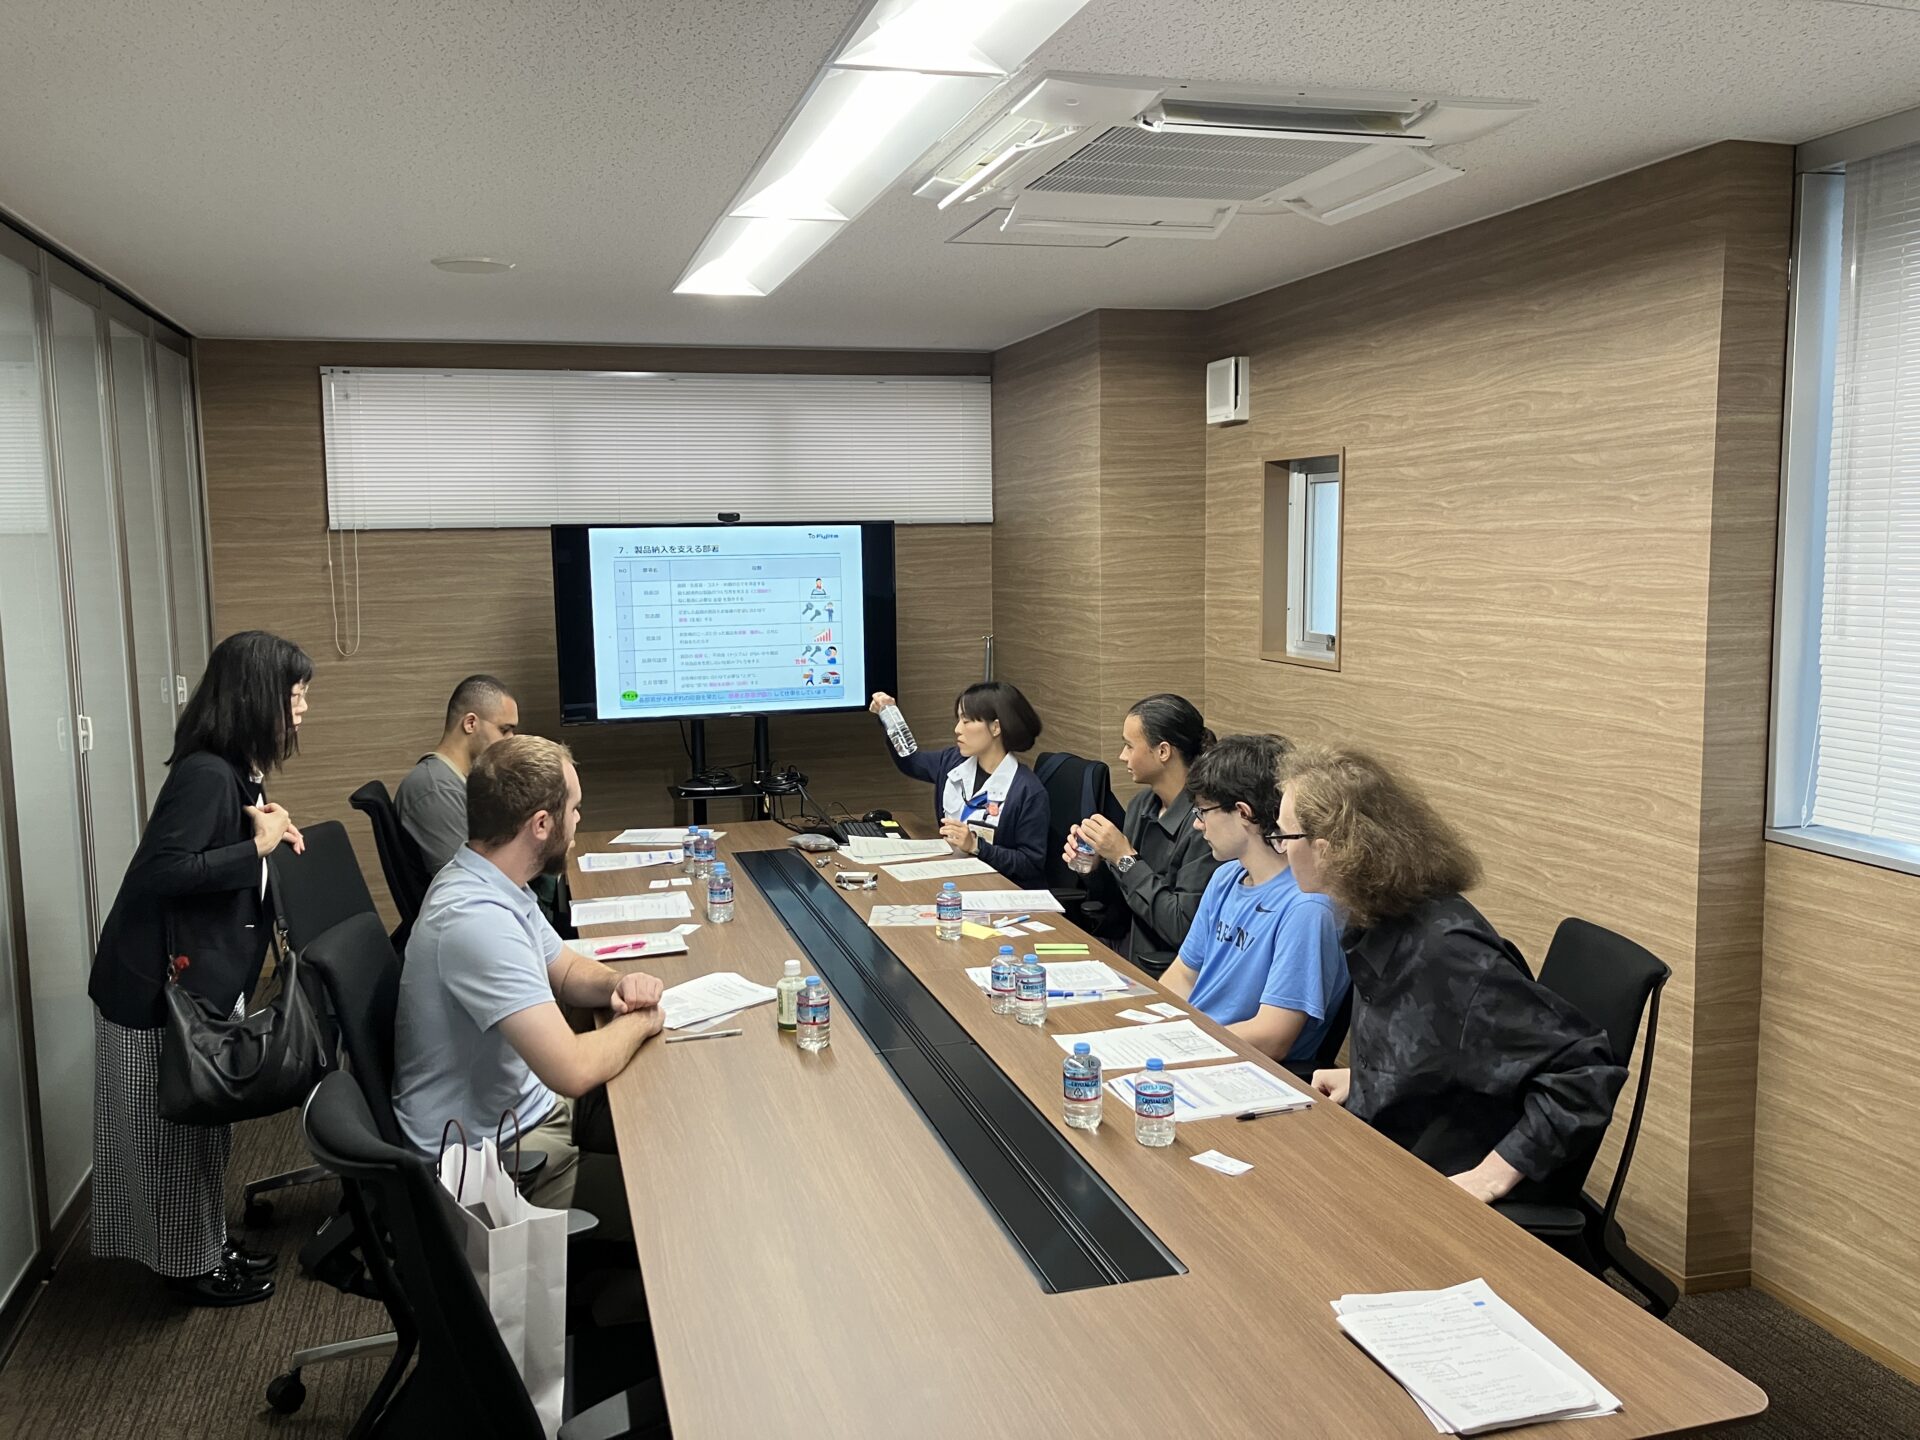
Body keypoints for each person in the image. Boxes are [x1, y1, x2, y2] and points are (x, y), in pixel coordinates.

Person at [1274, 745, 1625, 1204]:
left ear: (1325, 851)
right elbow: (1433, 1045)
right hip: (1390, 1141)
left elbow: (1586, 1070)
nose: (1281, 847)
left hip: (1434, 1173)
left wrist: (1490, 1177)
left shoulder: (1448, 953)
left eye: (1285, 835)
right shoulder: (1377, 915)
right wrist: (1367, 1080)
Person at [87, 630, 313, 1306]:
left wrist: (262, 835)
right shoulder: (206, 774)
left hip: (201, 982)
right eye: (294, 695)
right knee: (171, 1142)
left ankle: (207, 1243)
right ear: (256, 697)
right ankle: (188, 1268)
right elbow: (163, 870)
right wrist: (256, 848)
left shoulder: (235, 768)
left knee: (202, 1133)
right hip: (158, 991)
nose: (303, 709)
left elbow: (212, 852)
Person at [391, 735, 663, 1234]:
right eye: (573, 809)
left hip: (524, 1115)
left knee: (666, 1121)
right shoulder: (476, 919)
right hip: (495, 1166)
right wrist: (642, 1020)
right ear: (541, 824)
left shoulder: (492, 880)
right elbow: (573, 1069)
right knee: (678, 1197)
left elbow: (566, 970)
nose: (578, 819)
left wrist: (619, 983)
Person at [1158, 734, 1348, 1072]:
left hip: (1244, 1067)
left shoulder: (1307, 907)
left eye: (1203, 811)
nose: (1198, 824)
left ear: (1243, 813)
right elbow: (1184, 975)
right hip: (1198, 1048)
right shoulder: (1225, 877)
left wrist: (1186, 1045)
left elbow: (1273, 1037)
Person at [1063, 693, 1220, 978]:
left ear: (1163, 751)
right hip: (1125, 951)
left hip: (1167, 973)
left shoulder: (1204, 824)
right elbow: (1120, 905)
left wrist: (1124, 858)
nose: (1122, 756)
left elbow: (1181, 928)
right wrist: (1094, 866)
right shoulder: (1141, 805)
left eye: (1129, 746)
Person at [867, 684, 1051, 887]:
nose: (957, 729)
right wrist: (889, 715)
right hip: (953, 878)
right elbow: (911, 761)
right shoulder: (952, 761)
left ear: (995, 728)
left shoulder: (1027, 790)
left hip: (998, 890)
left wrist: (976, 845)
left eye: (966, 721)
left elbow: (1030, 864)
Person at [394, 674, 520, 872]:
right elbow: (465, 878)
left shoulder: (457, 780)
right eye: (504, 730)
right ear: (470, 723)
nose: (511, 740)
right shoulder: (435, 789)